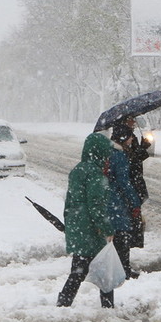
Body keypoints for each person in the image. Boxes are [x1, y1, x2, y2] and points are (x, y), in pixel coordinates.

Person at [57, 132, 116, 308]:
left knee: (78, 270)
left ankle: (64, 302)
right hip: (91, 230)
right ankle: (108, 307)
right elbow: (96, 205)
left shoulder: (77, 170)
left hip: (78, 227)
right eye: (106, 152)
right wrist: (106, 228)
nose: (108, 157)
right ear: (100, 152)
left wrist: (69, 224)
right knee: (105, 271)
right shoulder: (96, 174)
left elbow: (69, 201)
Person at [108, 123, 143, 279]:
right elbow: (124, 182)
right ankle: (124, 269)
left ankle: (118, 267)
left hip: (107, 199)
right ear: (123, 138)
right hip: (117, 201)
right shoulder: (119, 155)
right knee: (123, 236)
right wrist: (135, 202)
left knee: (115, 237)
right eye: (130, 136)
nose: (131, 139)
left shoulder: (107, 152)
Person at [116, 117, 151, 249]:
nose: (134, 123)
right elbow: (133, 162)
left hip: (134, 182)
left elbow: (136, 159)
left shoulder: (130, 138)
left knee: (133, 218)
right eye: (131, 120)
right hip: (131, 184)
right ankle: (125, 253)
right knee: (130, 218)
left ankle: (128, 248)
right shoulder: (122, 141)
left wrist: (143, 147)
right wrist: (142, 148)